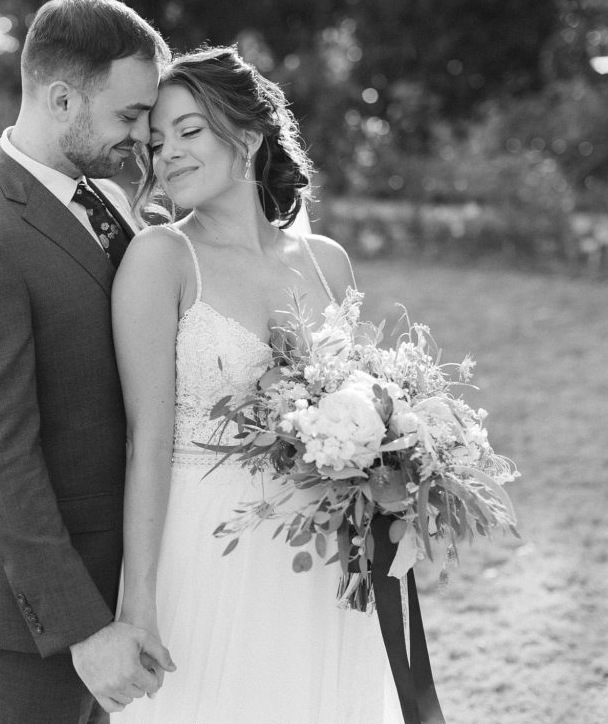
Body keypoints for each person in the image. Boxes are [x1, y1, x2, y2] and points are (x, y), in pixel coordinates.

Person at [110, 47, 406, 722]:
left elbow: (365, 407)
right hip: (209, 548)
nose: (167, 155)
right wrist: (140, 601)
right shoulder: (161, 259)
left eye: (189, 131)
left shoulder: (327, 260)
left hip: (321, 556)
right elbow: (146, 440)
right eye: (156, 142)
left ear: (246, 137)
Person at [0, 0, 174, 721]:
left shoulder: (112, 200)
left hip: (126, 579)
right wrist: (82, 629)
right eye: (128, 116)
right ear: (62, 98)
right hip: (37, 622)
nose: (141, 136)